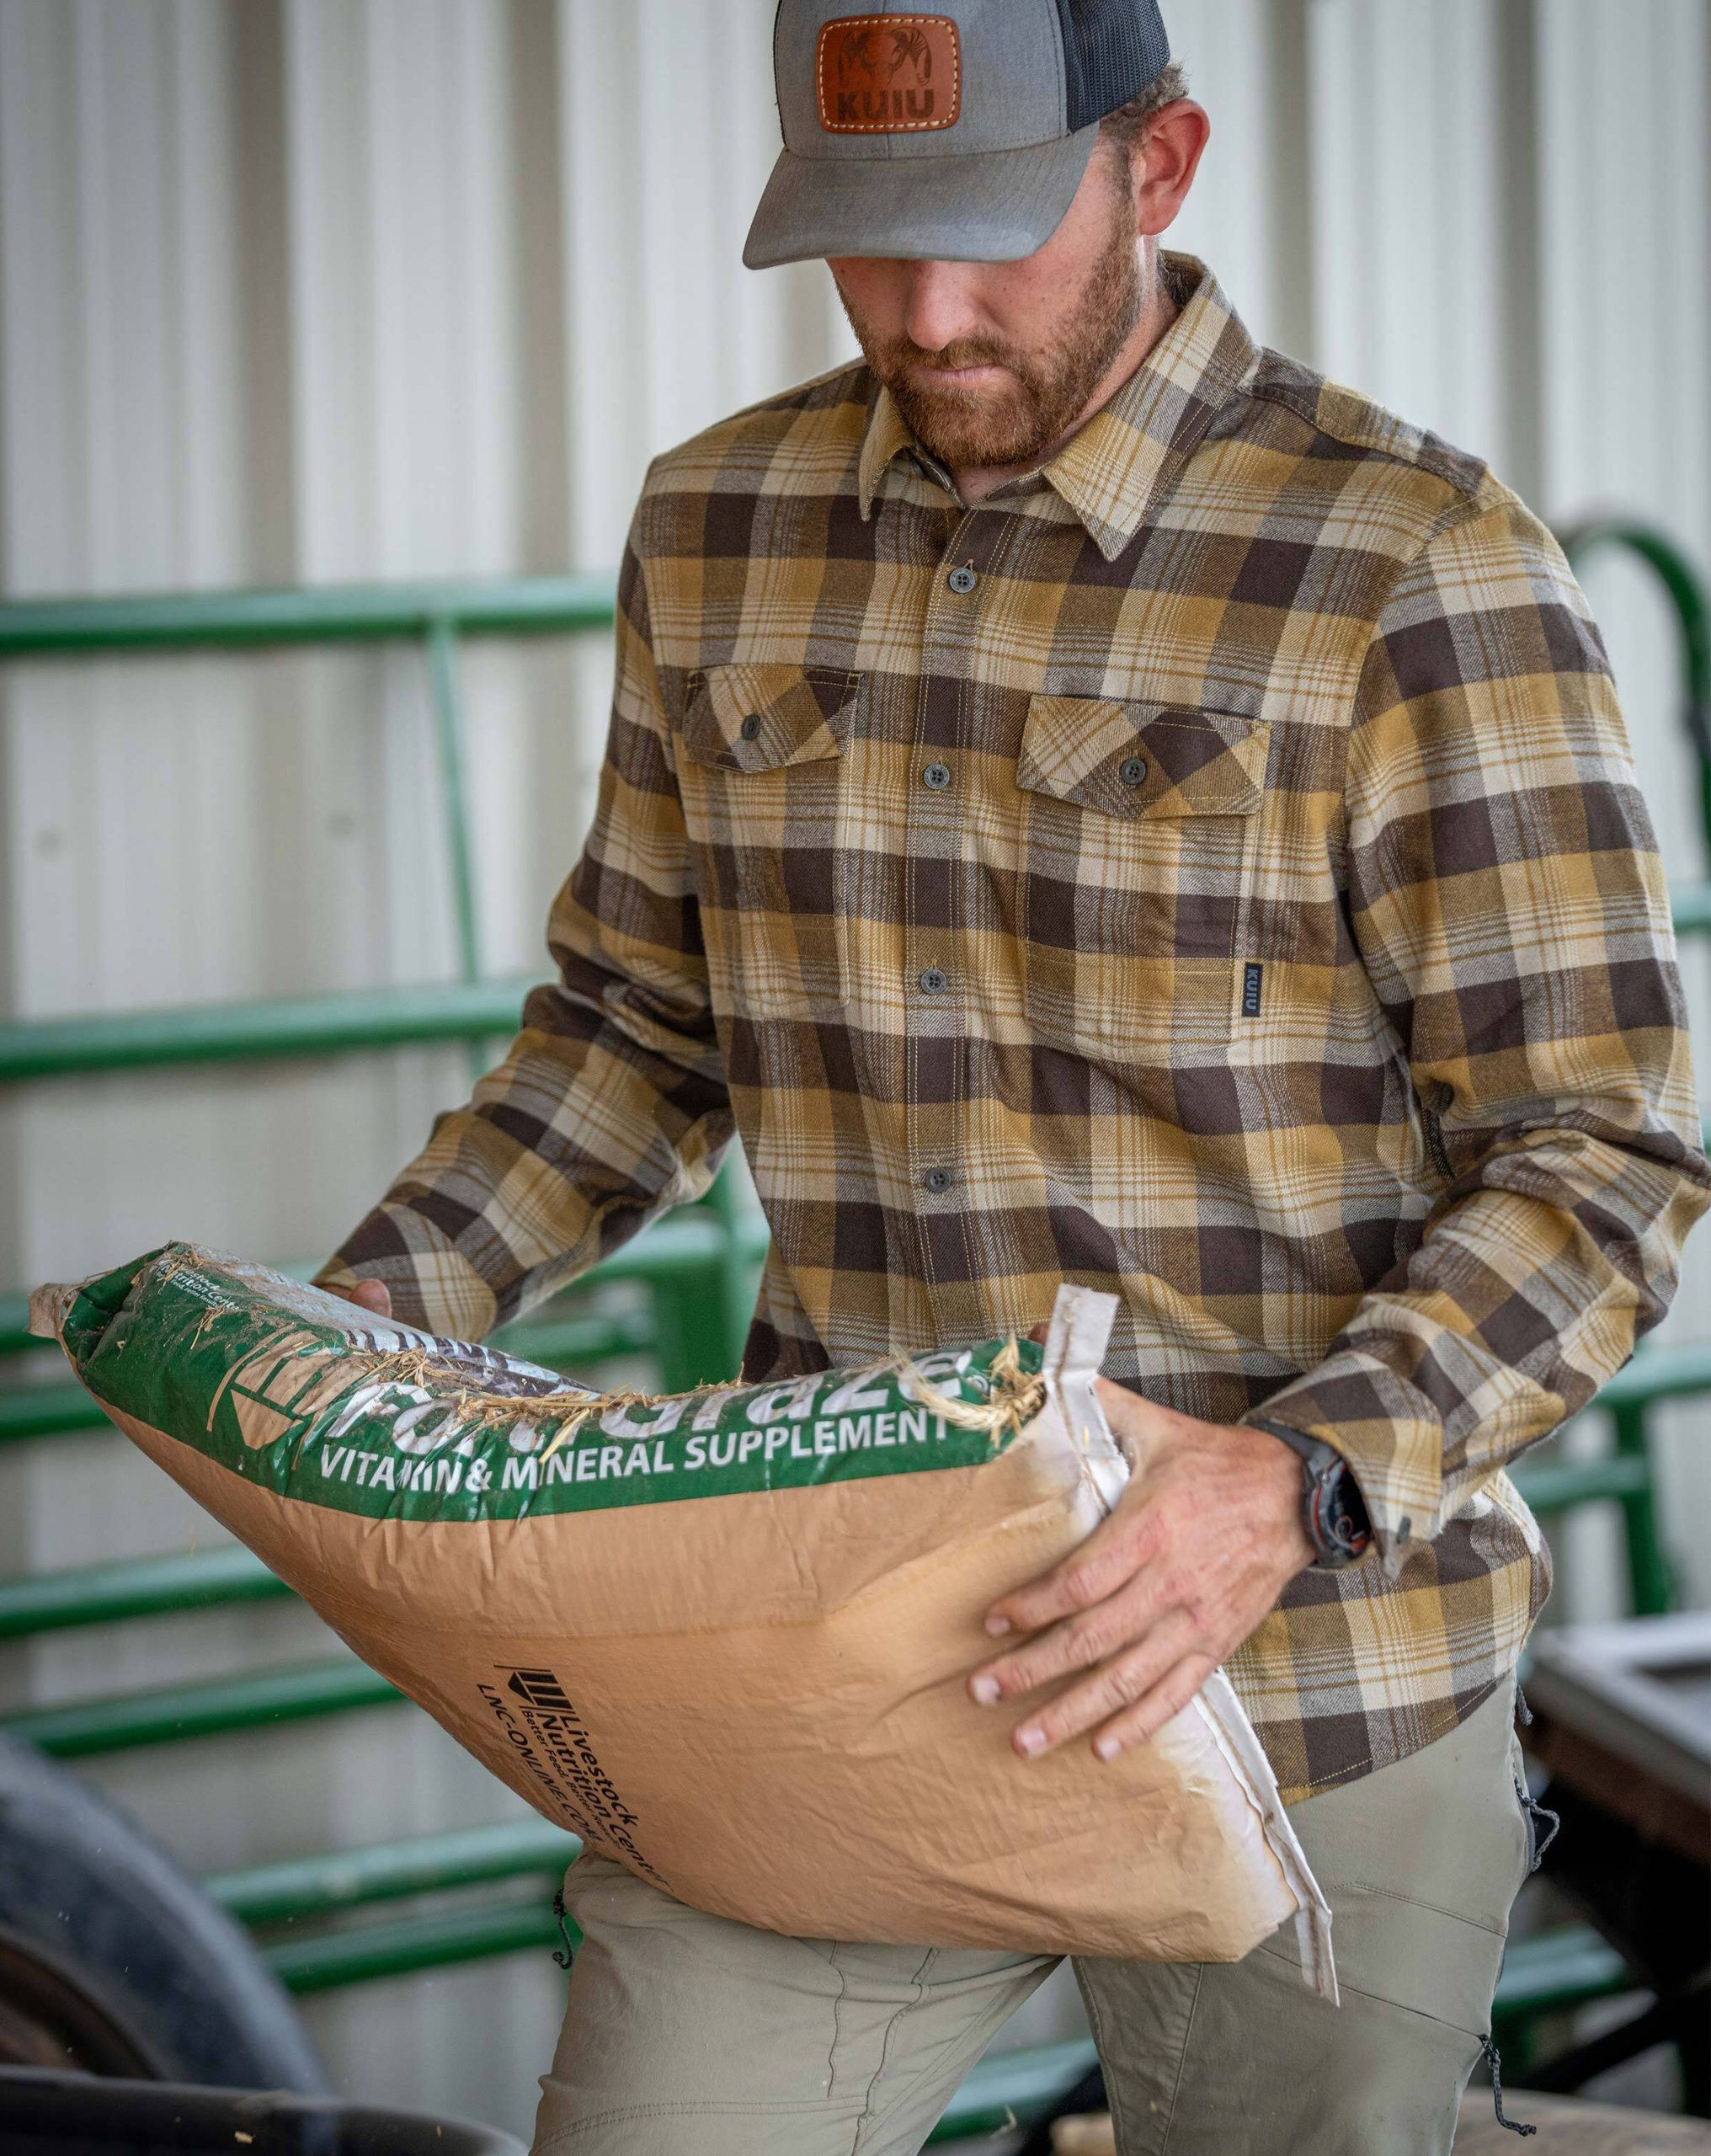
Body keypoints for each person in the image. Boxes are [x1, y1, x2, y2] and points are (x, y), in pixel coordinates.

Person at [318, 3, 1709, 2148]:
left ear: (1158, 166)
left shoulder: (1411, 563)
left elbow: (1600, 1149)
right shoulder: (720, 528)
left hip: (1307, 1675)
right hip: (839, 1633)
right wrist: (374, 1317)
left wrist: (1292, 1478)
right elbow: (628, 1028)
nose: (929, 314)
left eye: (985, 230)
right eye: (869, 243)